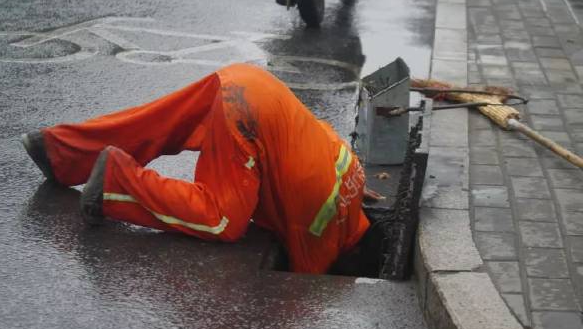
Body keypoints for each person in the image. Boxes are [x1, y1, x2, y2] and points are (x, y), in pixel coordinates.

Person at [22, 63, 372, 274]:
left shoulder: (353, 173)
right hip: (248, 115)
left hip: (248, 81)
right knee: (221, 218)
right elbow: (304, 283)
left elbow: (322, 137)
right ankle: (116, 181)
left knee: (158, 124)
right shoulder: (324, 238)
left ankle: (59, 150)